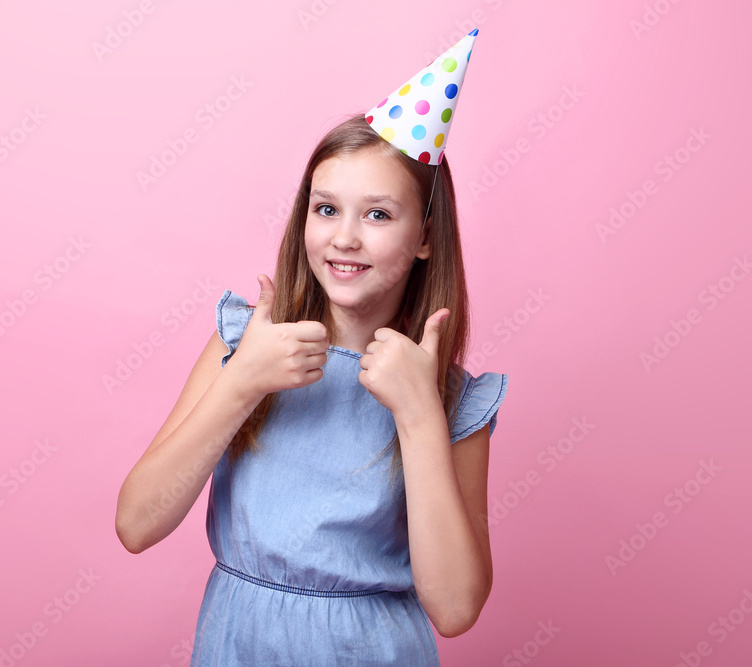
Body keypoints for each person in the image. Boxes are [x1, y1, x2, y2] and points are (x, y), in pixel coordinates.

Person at [116, 29, 509, 665]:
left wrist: (418, 415)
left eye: (378, 215)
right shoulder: (243, 342)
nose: (345, 238)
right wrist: (242, 381)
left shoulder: (451, 399)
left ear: (426, 237)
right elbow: (137, 524)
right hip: (240, 645)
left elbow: (457, 608)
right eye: (326, 210)